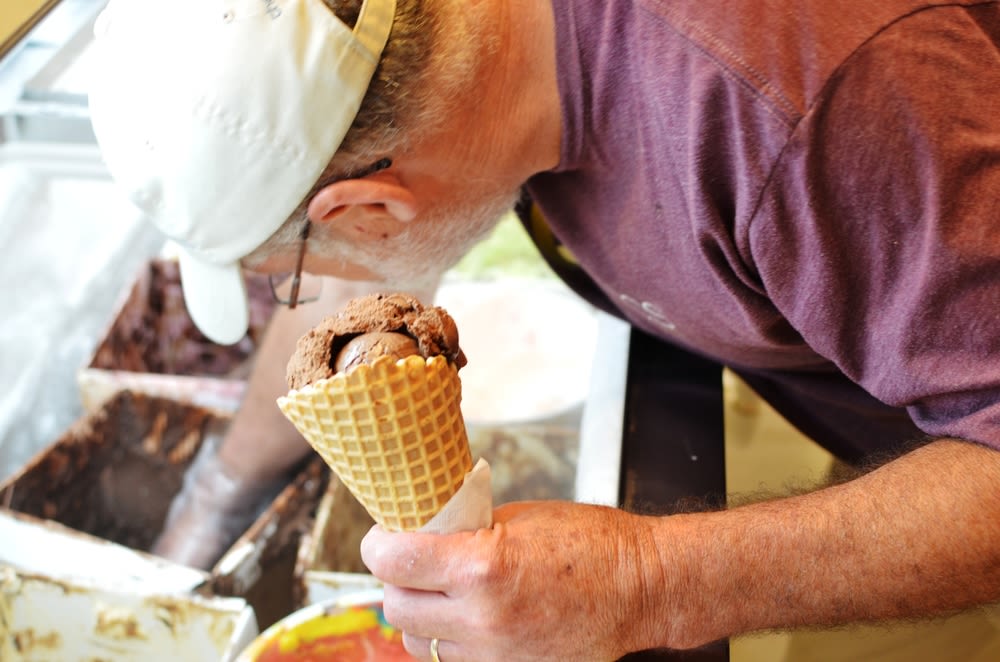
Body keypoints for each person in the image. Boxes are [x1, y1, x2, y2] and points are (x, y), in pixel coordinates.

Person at [87, 0, 1000, 660]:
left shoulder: (793, 106)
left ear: (369, 210)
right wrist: (217, 493)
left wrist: (648, 580)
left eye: (292, 265)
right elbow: (339, 301)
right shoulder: (463, 55)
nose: (312, 292)